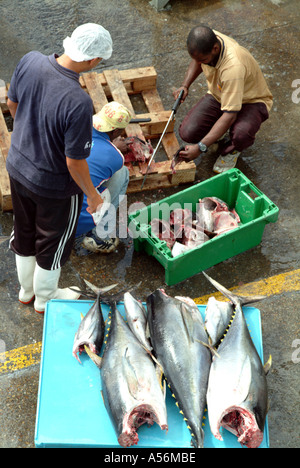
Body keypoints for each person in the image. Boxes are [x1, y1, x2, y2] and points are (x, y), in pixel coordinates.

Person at [6, 23, 113, 313]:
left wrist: (31, 135)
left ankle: (26, 292)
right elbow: (74, 162)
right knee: (52, 243)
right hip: (53, 187)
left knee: (24, 232)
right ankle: (45, 298)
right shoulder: (77, 102)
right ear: (92, 60)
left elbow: (12, 103)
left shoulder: (30, 60)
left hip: (17, 167)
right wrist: (93, 196)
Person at [173, 25, 273, 173]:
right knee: (188, 132)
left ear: (215, 49)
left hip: (251, 101)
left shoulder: (233, 67)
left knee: (241, 134)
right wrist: (185, 85)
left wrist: (201, 147)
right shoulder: (209, 42)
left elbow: (230, 115)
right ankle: (217, 134)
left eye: (204, 60)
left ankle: (232, 150)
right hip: (220, 94)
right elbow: (197, 60)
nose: (201, 62)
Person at [75, 101, 131, 254]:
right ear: (115, 132)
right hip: (74, 223)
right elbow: (102, 157)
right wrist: (114, 148)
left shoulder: (76, 128)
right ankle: (99, 235)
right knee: (122, 173)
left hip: (46, 209)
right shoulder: (115, 156)